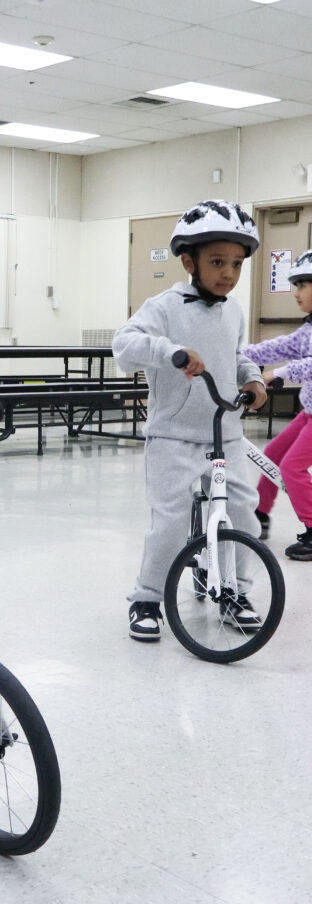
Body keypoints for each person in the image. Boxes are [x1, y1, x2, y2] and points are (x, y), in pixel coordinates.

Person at [112, 200, 267, 641]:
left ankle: (235, 592)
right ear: (189, 261)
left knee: (244, 514)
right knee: (171, 521)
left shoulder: (233, 311)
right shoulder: (164, 306)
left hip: (225, 435)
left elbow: (237, 357)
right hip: (173, 438)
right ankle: (146, 597)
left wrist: (252, 380)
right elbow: (124, 345)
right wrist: (170, 352)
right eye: (217, 262)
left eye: (236, 264)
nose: (228, 274)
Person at [243, 249, 312, 560]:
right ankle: (259, 513)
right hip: (309, 413)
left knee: (292, 468)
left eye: (302, 285)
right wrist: (239, 354)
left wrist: (277, 374)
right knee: (270, 455)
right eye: (294, 285)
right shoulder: (308, 329)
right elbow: (280, 347)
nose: (295, 293)